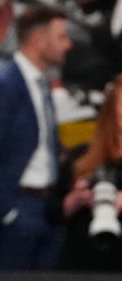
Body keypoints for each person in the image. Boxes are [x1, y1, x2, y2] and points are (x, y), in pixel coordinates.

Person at [0, 4, 72, 270]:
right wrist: (8, 212)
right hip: (17, 208)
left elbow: (41, 143)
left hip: (47, 208)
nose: (68, 44)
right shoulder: (3, 86)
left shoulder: (41, 82)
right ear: (38, 41)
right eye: (61, 37)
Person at [46, 74, 122, 270]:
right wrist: (72, 201)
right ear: (112, 110)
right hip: (83, 264)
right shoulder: (80, 157)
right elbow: (51, 210)